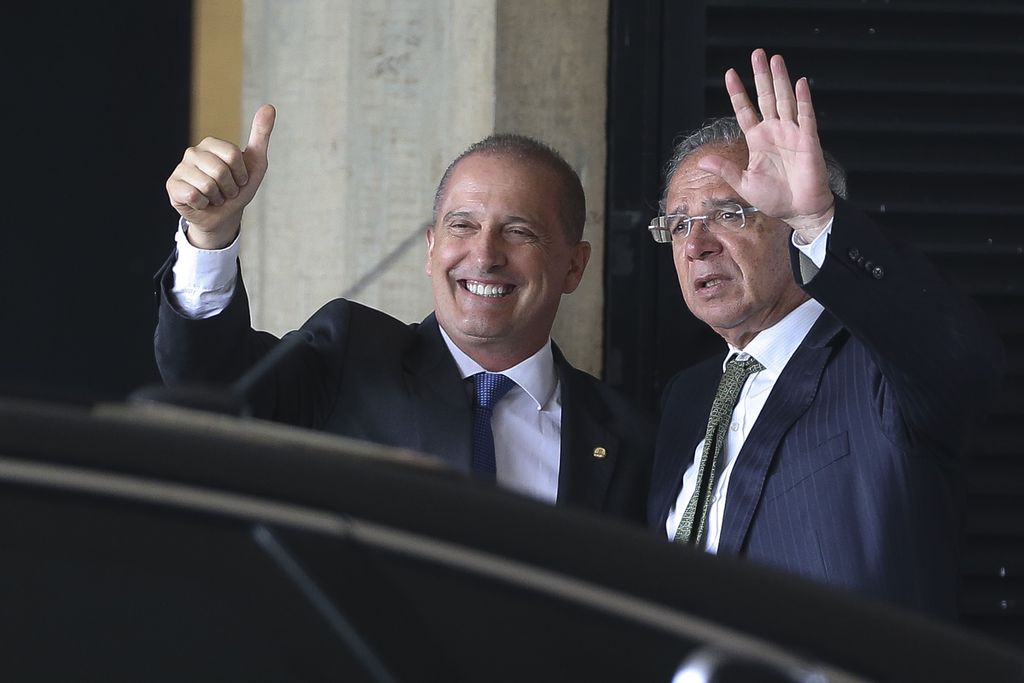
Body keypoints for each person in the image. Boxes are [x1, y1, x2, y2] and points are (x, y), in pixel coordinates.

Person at [155, 105, 653, 523]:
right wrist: (209, 235)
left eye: (519, 231)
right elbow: (208, 383)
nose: (484, 255)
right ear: (431, 249)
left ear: (574, 265)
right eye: (462, 226)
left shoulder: (628, 435)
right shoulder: (349, 357)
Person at [647, 49, 1004, 618]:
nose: (696, 245)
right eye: (680, 224)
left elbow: (962, 363)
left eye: (730, 215)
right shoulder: (687, 397)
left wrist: (818, 220)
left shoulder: (875, 369)